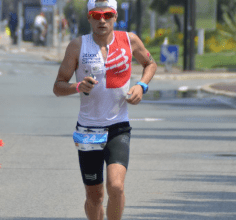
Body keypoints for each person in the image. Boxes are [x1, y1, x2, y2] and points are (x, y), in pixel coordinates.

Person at [52, 0, 157, 219]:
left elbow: (150, 63)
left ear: (115, 16)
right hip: (89, 130)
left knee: (116, 187)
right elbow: (58, 86)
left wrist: (141, 85)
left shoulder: (130, 40)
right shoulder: (77, 46)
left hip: (118, 127)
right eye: (96, 15)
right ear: (89, 17)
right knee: (95, 197)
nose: (102, 20)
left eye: (107, 15)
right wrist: (78, 86)